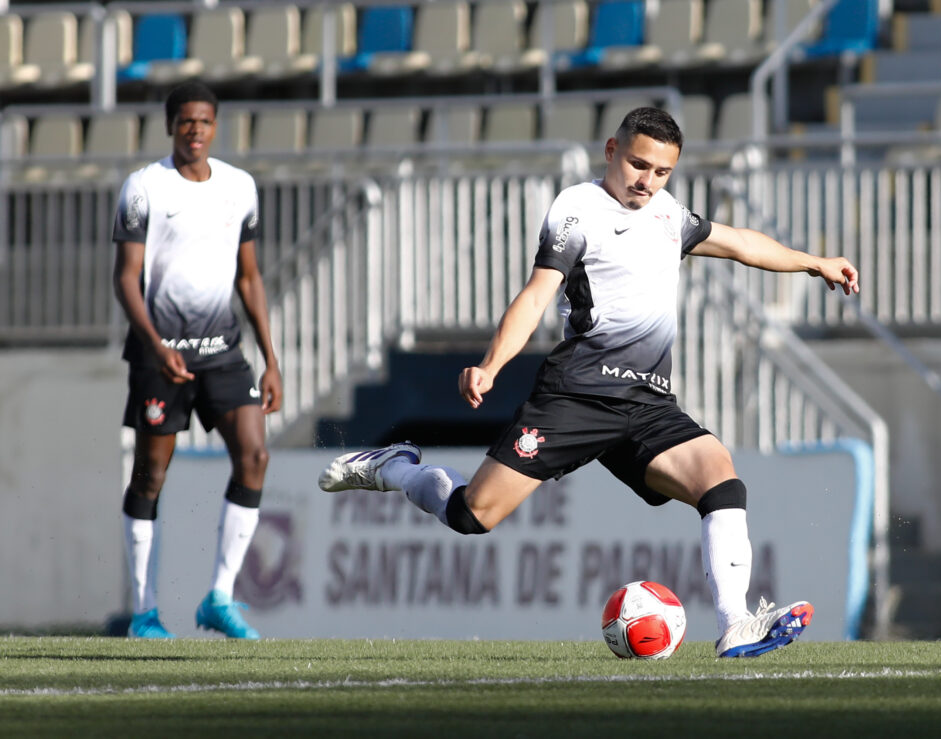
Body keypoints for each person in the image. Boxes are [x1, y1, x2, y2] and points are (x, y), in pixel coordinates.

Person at [318, 107, 859, 657]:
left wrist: (814, 263)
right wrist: (491, 364)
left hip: (647, 402)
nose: (647, 181)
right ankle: (397, 470)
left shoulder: (669, 215)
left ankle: (735, 624)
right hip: (576, 396)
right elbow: (536, 295)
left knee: (720, 480)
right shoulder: (577, 210)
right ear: (611, 150)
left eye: (662, 172)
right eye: (637, 164)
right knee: (472, 514)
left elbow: (740, 242)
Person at [112, 80, 282, 639]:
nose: (195, 131)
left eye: (205, 121)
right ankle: (143, 611)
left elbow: (250, 277)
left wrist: (271, 358)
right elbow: (126, 279)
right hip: (159, 357)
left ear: (215, 126)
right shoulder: (143, 188)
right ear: (170, 126)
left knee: (254, 455)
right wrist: (157, 346)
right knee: (150, 475)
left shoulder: (240, 187)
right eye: (186, 121)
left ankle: (220, 599)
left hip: (222, 351)